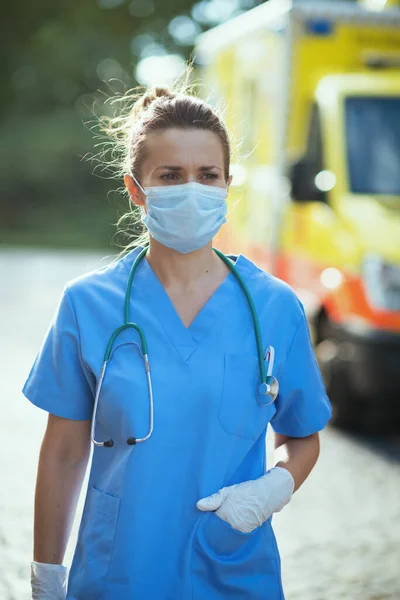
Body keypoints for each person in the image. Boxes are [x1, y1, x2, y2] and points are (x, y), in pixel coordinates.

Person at [24, 83, 332, 600]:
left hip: (232, 568)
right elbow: (61, 454)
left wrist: (272, 488)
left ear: (227, 185)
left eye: (207, 175)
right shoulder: (88, 304)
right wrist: (46, 577)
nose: (192, 188)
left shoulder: (274, 308)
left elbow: (303, 436)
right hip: (117, 572)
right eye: (171, 176)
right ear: (136, 188)